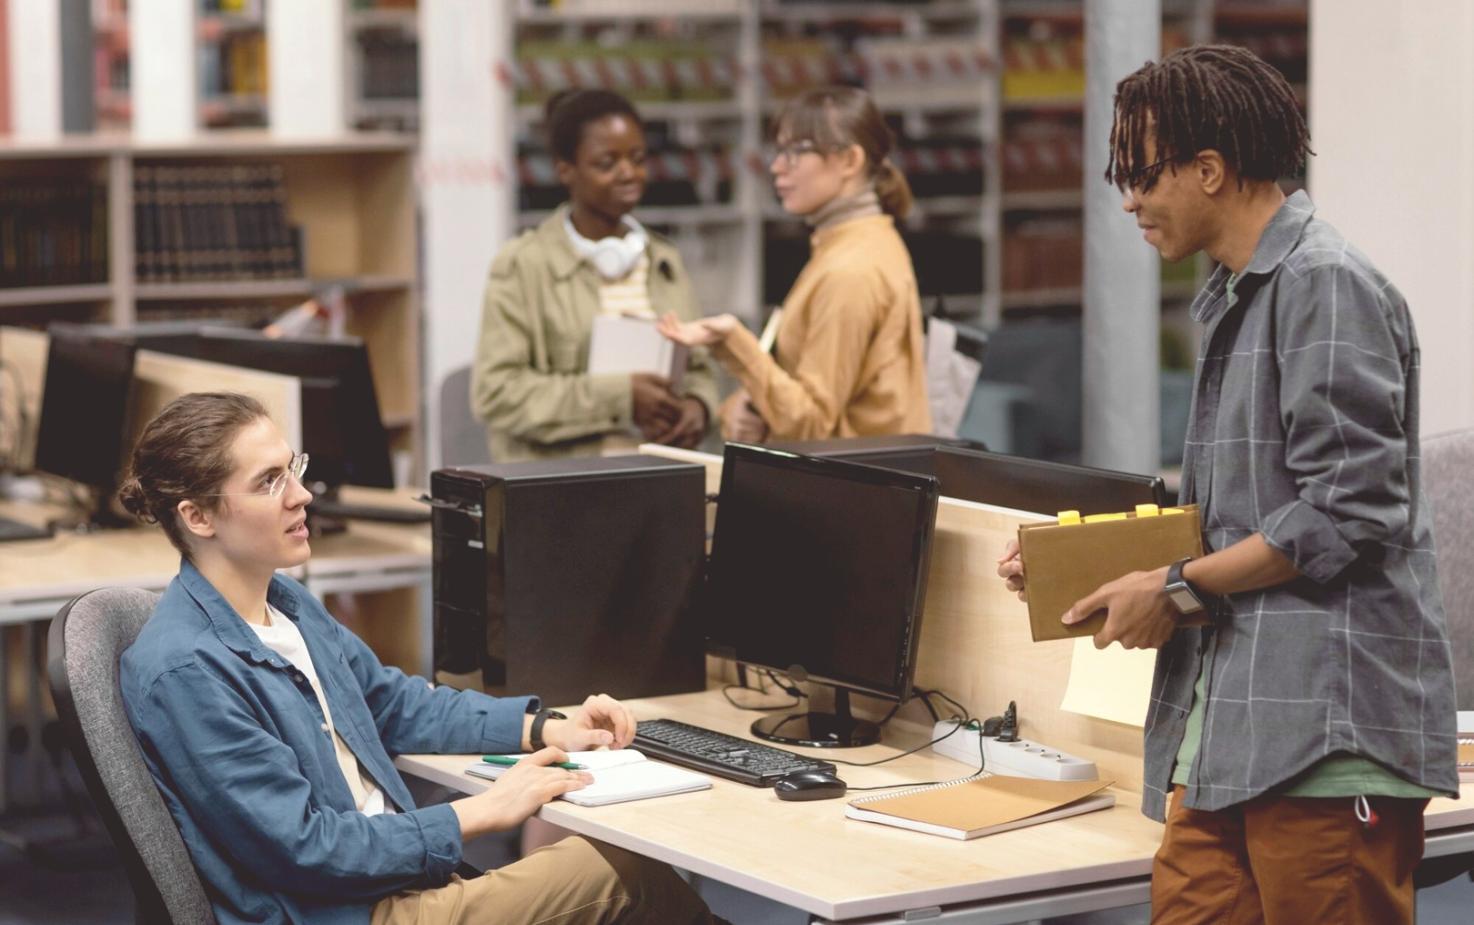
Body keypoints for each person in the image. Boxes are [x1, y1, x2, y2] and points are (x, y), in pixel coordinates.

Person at [997, 45, 1457, 924]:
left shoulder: (1324, 284)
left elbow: (1346, 510)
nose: (1127, 200)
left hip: (1324, 733)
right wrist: (1078, 562)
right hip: (1229, 731)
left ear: (1209, 170)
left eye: (1141, 174)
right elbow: (1237, 514)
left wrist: (1173, 587)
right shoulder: (1234, 293)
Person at [118, 392, 721, 924]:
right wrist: (480, 813)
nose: (301, 495)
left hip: (395, 882)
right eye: (268, 481)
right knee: (629, 877)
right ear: (197, 517)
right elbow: (308, 849)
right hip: (349, 911)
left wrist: (542, 727)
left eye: (293, 468)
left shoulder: (284, 603)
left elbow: (392, 704)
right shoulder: (188, 672)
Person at [657, 85, 931, 443]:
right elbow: (814, 391)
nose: (777, 167)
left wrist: (734, 343)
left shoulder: (851, 269)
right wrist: (747, 406)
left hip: (852, 487)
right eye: (779, 150)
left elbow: (811, 424)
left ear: (850, 160)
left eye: (796, 152)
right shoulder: (861, 241)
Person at [471, 89, 719, 462]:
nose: (629, 174)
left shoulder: (664, 261)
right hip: (566, 487)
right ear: (565, 169)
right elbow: (497, 393)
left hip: (664, 475)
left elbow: (700, 368)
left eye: (637, 159)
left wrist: (699, 407)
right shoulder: (523, 266)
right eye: (607, 162)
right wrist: (622, 397)